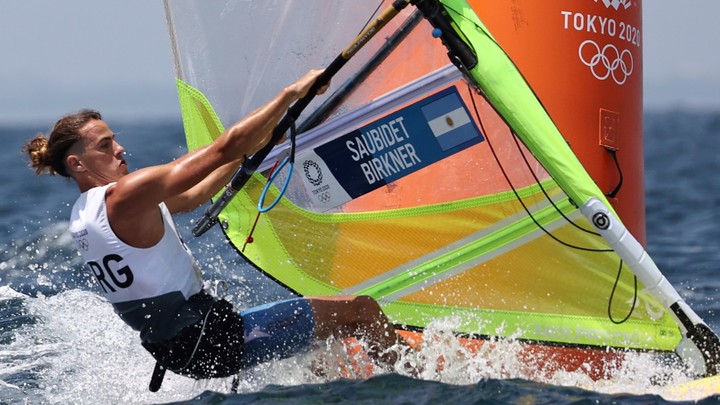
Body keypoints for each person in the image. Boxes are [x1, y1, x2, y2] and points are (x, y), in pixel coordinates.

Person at [22, 69, 412, 390]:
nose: (120, 149)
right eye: (105, 146)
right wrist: (289, 95)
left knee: (320, 340)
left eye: (115, 140)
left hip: (180, 350)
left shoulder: (85, 213)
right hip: (216, 341)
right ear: (77, 163)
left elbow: (194, 195)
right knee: (363, 310)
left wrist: (260, 147)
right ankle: (409, 390)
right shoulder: (125, 195)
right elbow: (221, 150)